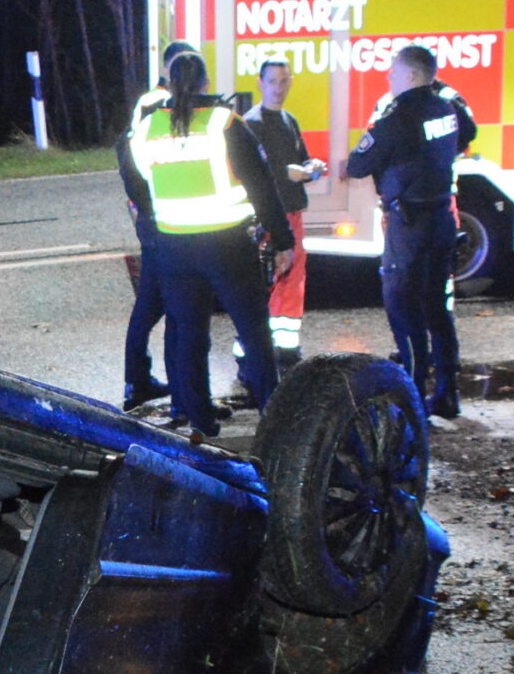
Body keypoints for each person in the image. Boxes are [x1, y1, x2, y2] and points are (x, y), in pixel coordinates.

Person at [117, 49, 294, 438]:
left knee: (189, 333)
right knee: (253, 331)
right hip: (227, 244)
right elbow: (261, 186)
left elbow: (134, 181)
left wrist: (157, 212)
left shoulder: (148, 128)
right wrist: (283, 240)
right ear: (205, 83)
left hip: (173, 247)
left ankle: (200, 420)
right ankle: (274, 416)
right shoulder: (224, 123)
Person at [344, 43, 476, 420]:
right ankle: (448, 394)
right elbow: (469, 132)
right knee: (437, 308)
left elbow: (357, 164)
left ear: (411, 75)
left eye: (393, 71)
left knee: (404, 308)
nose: (388, 77)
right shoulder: (445, 107)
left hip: (409, 225)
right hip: (441, 219)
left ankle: (414, 399)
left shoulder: (397, 118)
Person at [116, 39, 198, 407]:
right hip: (159, 218)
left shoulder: (163, 102)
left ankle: (142, 381)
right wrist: (146, 208)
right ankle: (147, 383)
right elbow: (139, 161)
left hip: (159, 215)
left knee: (153, 302)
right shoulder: (155, 103)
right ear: (167, 68)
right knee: (156, 303)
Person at [242, 58, 324, 373]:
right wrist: (296, 173)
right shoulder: (252, 123)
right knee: (266, 282)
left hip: (293, 211)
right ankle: (252, 355)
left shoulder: (289, 120)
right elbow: (264, 173)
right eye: (273, 81)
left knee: (292, 282)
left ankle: (286, 351)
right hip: (267, 215)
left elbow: (301, 159)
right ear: (260, 83)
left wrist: (312, 166)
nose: (279, 87)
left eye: (284, 81)